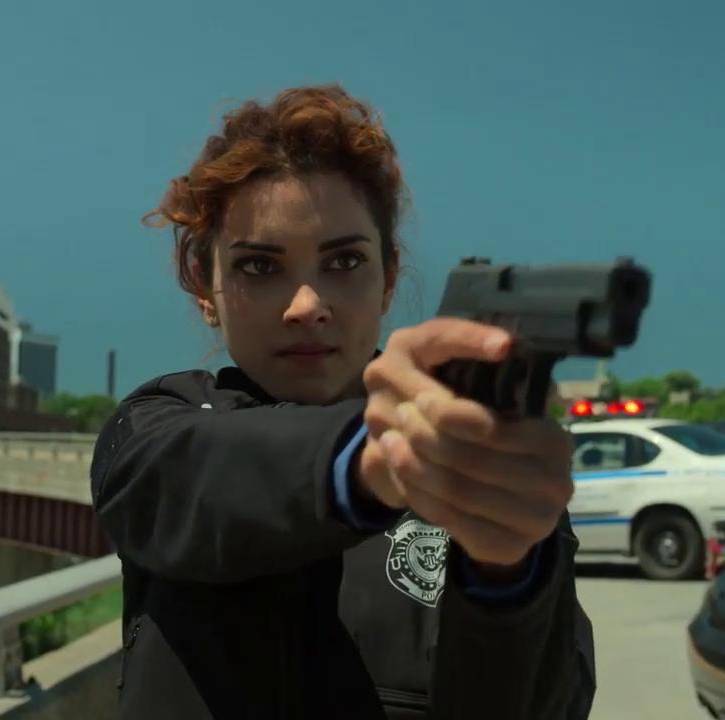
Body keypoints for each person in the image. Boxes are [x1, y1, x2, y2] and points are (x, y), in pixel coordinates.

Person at [89, 83, 596, 719]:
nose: (307, 306)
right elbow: (193, 477)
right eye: (259, 267)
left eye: (344, 262)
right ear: (203, 285)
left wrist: (507, 565)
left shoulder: (474, 465)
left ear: (388, 277)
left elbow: (544, 705)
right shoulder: (160, 426)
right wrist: (376, 459)